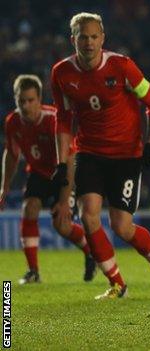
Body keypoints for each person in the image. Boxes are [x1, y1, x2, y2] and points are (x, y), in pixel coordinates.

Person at [51, 12, 150, 299]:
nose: (89, 43)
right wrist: (61, 161)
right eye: (83, 37)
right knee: (88, 214)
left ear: (102, 38)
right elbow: (64, 119)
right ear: (73, 40)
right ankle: (117, 283)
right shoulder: (61, 73)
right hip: (90, 152)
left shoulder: (121, 66)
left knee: (121, 226)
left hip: (126, 155)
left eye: (94, 37)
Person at [0, 74, 96, 285]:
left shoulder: (53, 120)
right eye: (21, 101)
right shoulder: (13, 122)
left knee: (61, 224)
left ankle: (91, 252)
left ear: (39, 98)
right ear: (16, 99)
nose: (25, 106)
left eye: (30, 100)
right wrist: (4, 186)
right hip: (38, 173)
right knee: (29, 208)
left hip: (64, 172)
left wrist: (63, 201)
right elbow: (12, 154)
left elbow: (70, 161)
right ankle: (33, 271)